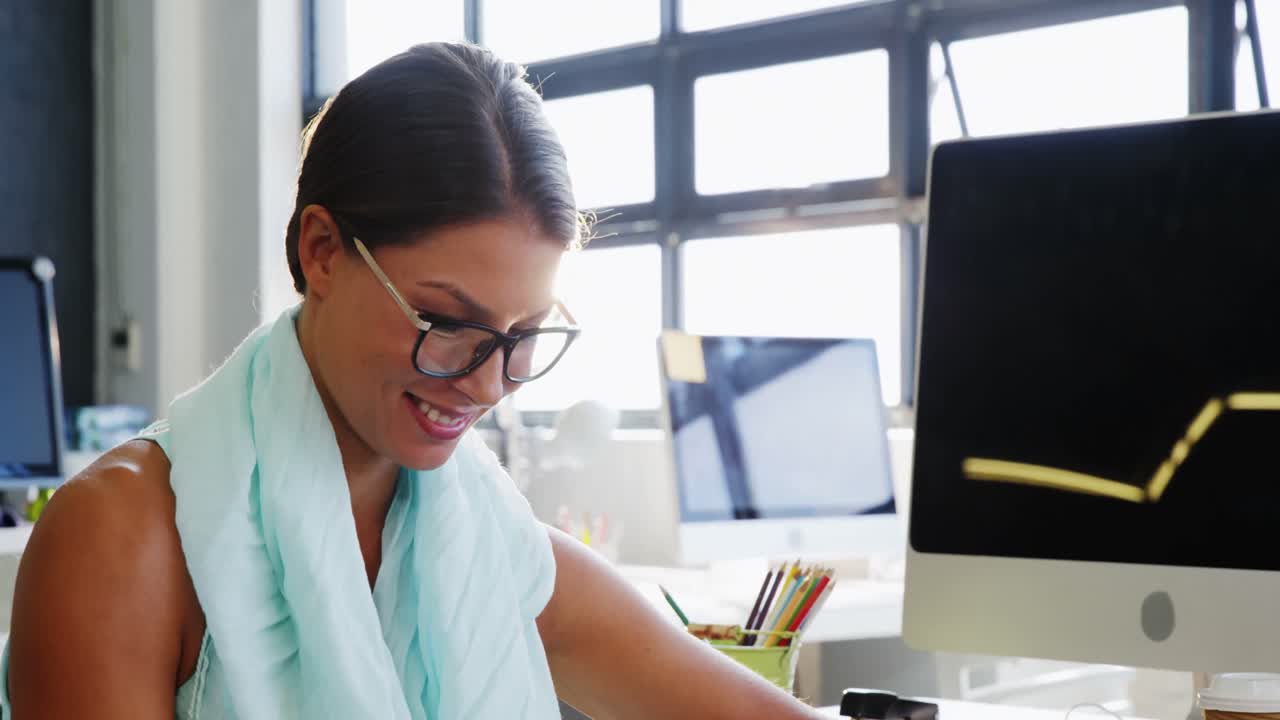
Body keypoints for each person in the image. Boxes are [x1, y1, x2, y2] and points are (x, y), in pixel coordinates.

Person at [2, 43, 827, 719]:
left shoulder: (481, 536)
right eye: (448, 325)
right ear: (321, 251)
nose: (488, 383)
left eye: (523, 337)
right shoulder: (121, 540)